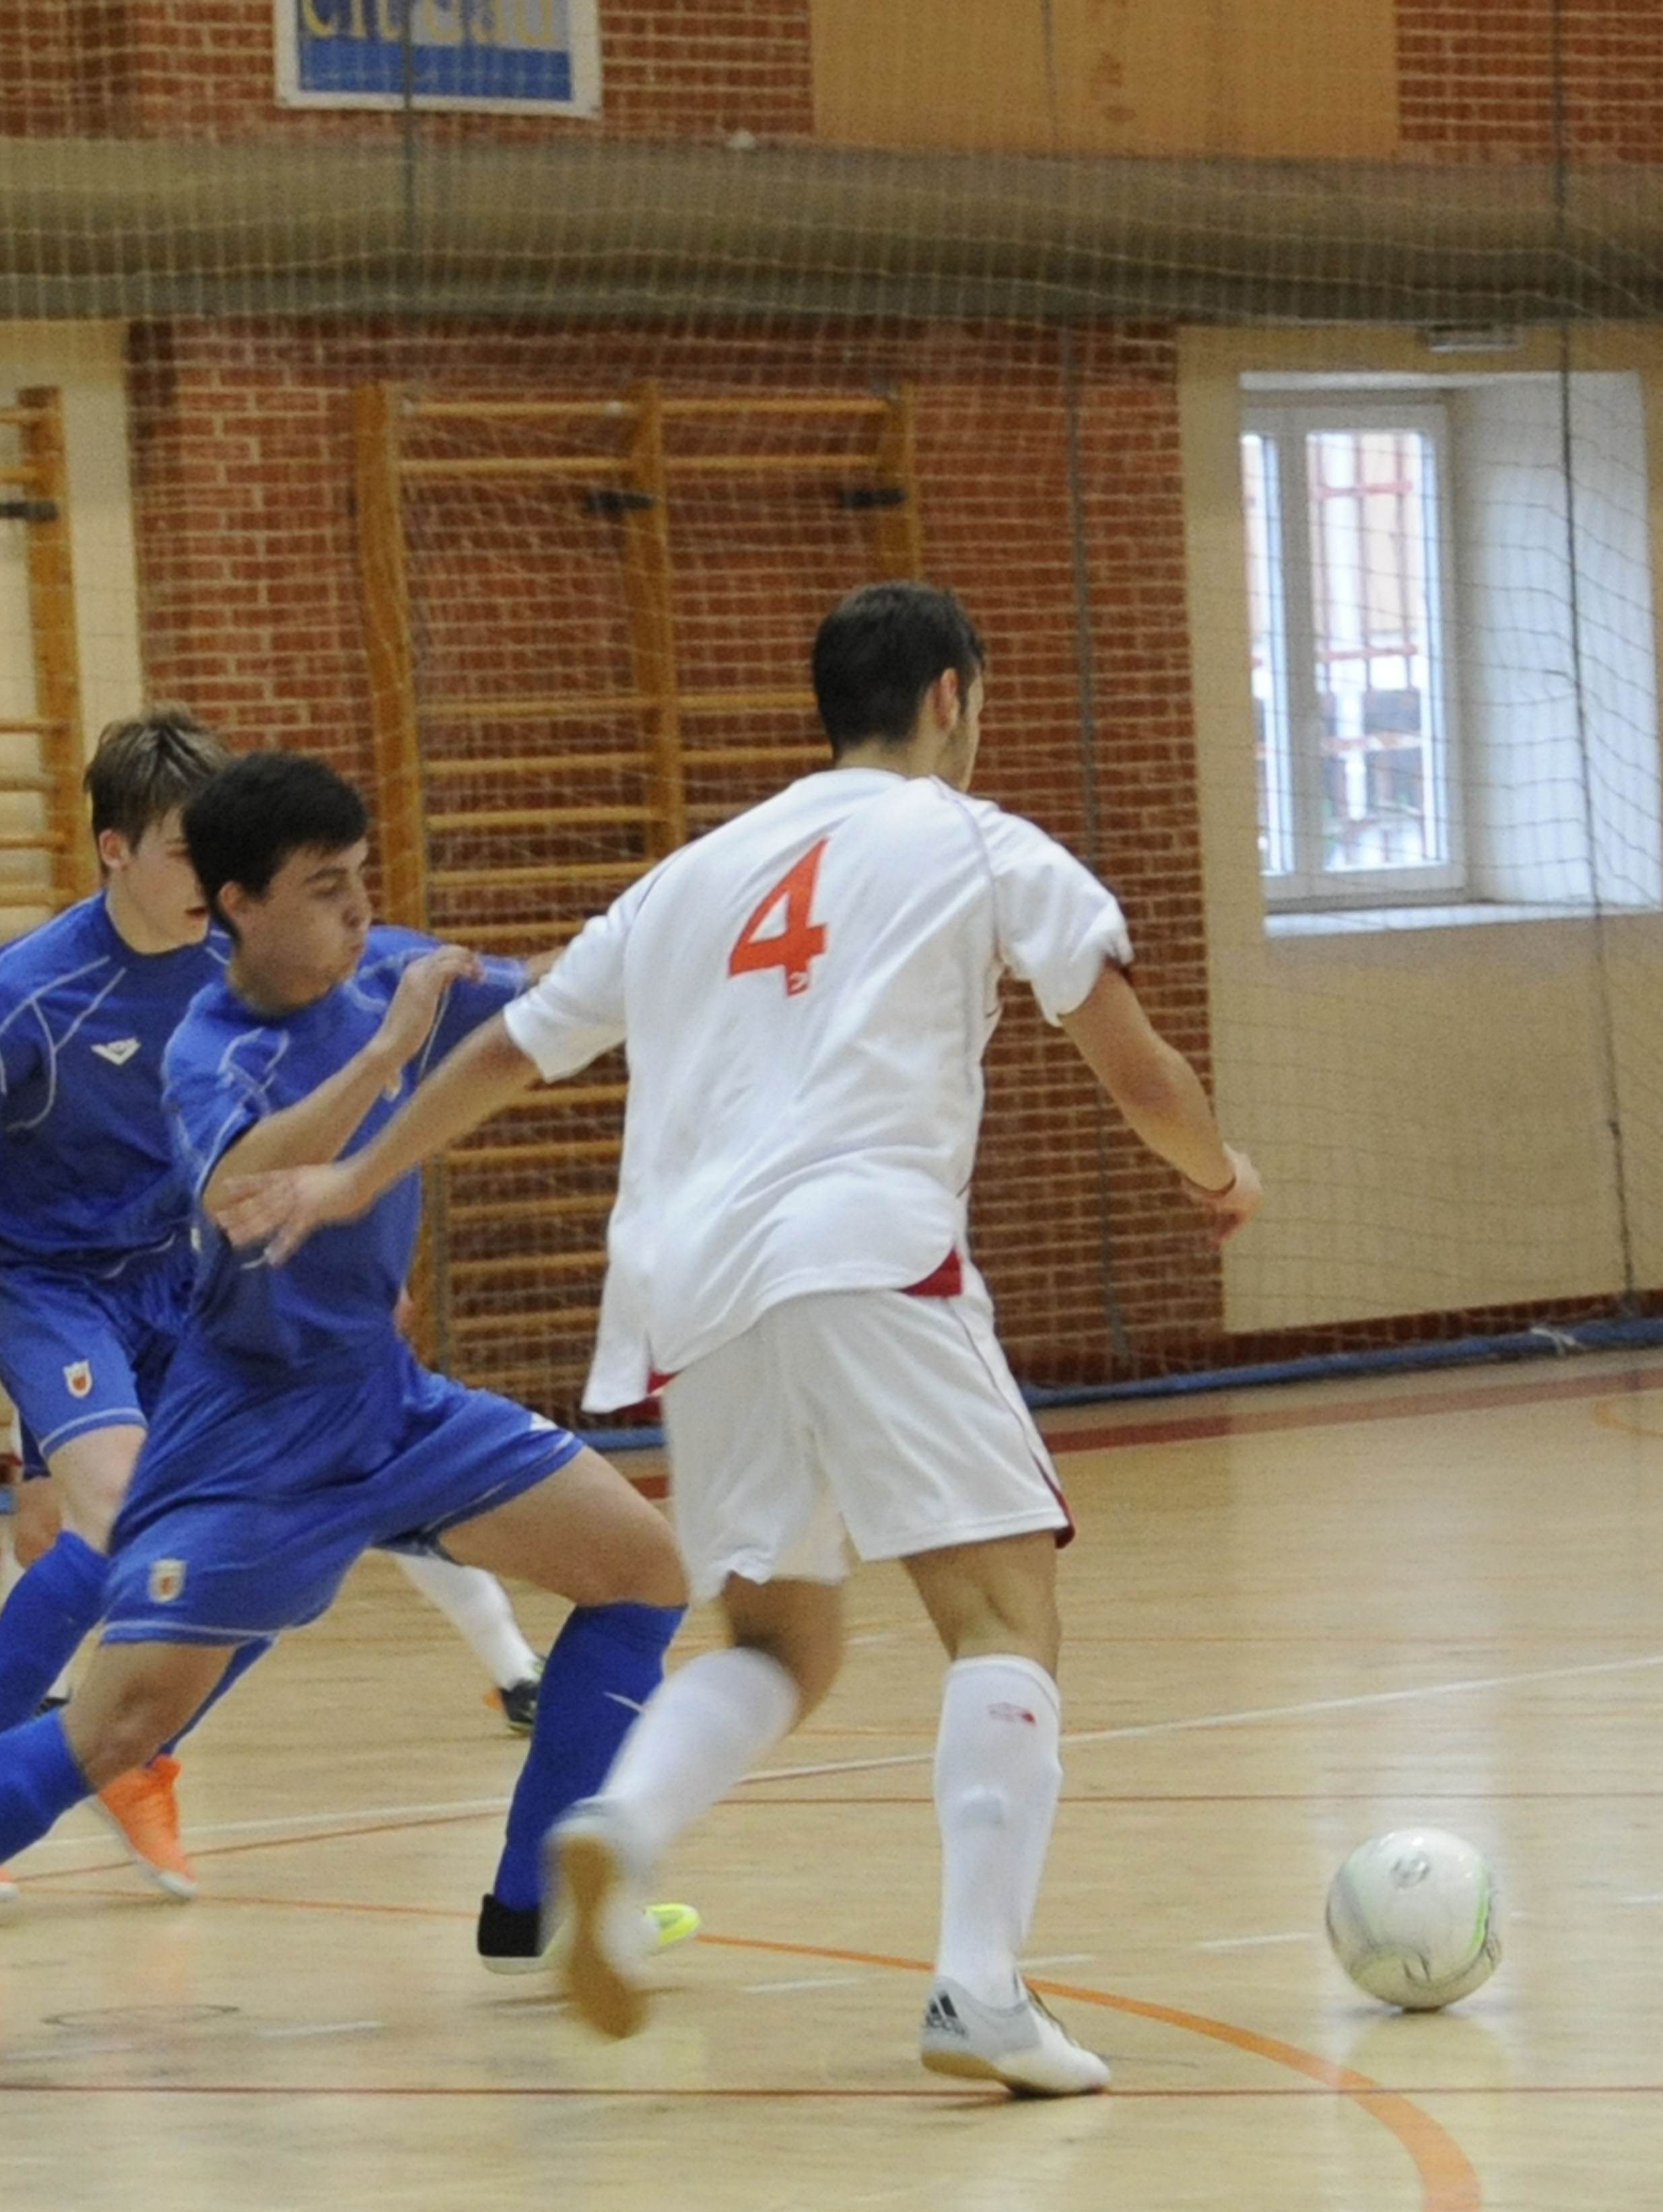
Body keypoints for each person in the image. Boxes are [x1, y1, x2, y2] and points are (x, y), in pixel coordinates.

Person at [221, 580, 1261, 2097]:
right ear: (953, 699)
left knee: (780, 1637)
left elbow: (511, 1051)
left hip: (689, 1289)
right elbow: (1135, 1064)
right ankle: (977, 1989)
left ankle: (621, 1826)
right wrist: (1221, 1176)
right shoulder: (980, 841)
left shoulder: (693, 874)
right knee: (999, 1616)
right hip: (867, 1255)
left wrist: (352, 1174)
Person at [0, 753, 696, 2076]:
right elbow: (245, 1182)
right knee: (113, 1730)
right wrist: (383, 1054)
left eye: (368, 882)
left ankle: (534, 1899)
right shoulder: (212, 1043)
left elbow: (557, 995)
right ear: (239, 906)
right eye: (327, 890)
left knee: (646, 1570)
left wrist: (698, 947)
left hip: (390, 1403)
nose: (363, 914)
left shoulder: (392, 965)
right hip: (252, 1442)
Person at [0, 711, 542, 1904]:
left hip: (191, 1279)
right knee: (113, 1517)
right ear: (116, 850)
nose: (203, 885)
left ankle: (142, 1757)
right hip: (57, 1288)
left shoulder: (267, 965)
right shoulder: (32, 987)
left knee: (268, 1540)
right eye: (178, 853)